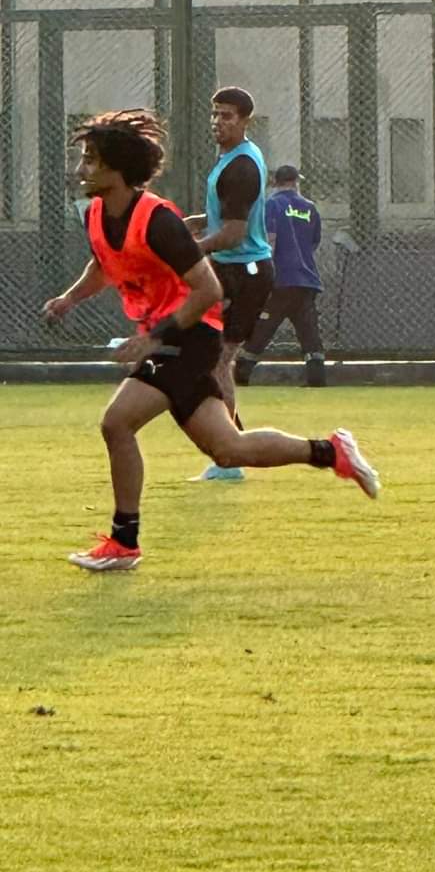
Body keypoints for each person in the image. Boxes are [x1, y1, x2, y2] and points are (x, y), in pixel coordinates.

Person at [42, 109, 380, 572]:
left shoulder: (159, 221)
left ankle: (124, 542)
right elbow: (104, 264)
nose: (80, 169)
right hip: (168, 338)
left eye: (89, 160)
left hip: (189, 336)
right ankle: (330, 451)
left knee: (117, 423)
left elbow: (209, 290)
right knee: (228, 449)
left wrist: (153, 338)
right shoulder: (97, 214)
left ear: (117, 169)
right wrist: (68, 299)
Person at [184, 86, 274, 481]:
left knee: (219, 361)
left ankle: (232, 455)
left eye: (227, 116)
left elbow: (235, 234)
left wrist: (193, 249)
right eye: (215, 114)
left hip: (245, 272)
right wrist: (198, 222)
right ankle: (231, 445)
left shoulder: (242, 168)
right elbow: (230, 214)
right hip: (231, 269)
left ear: (245, 121)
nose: (218, 122)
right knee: (208, 359)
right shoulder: (231, 159)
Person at [236, 164, 327, 388]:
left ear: (275, 182)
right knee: (309, 331)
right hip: (306, 279)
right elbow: (313, 242)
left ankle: (241, 373)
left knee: (263, 327)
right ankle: (317, 376)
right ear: (296, 182)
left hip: (280, 280)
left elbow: (270, 240)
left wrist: (263, 274)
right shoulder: (310, 208)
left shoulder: (272, 205)